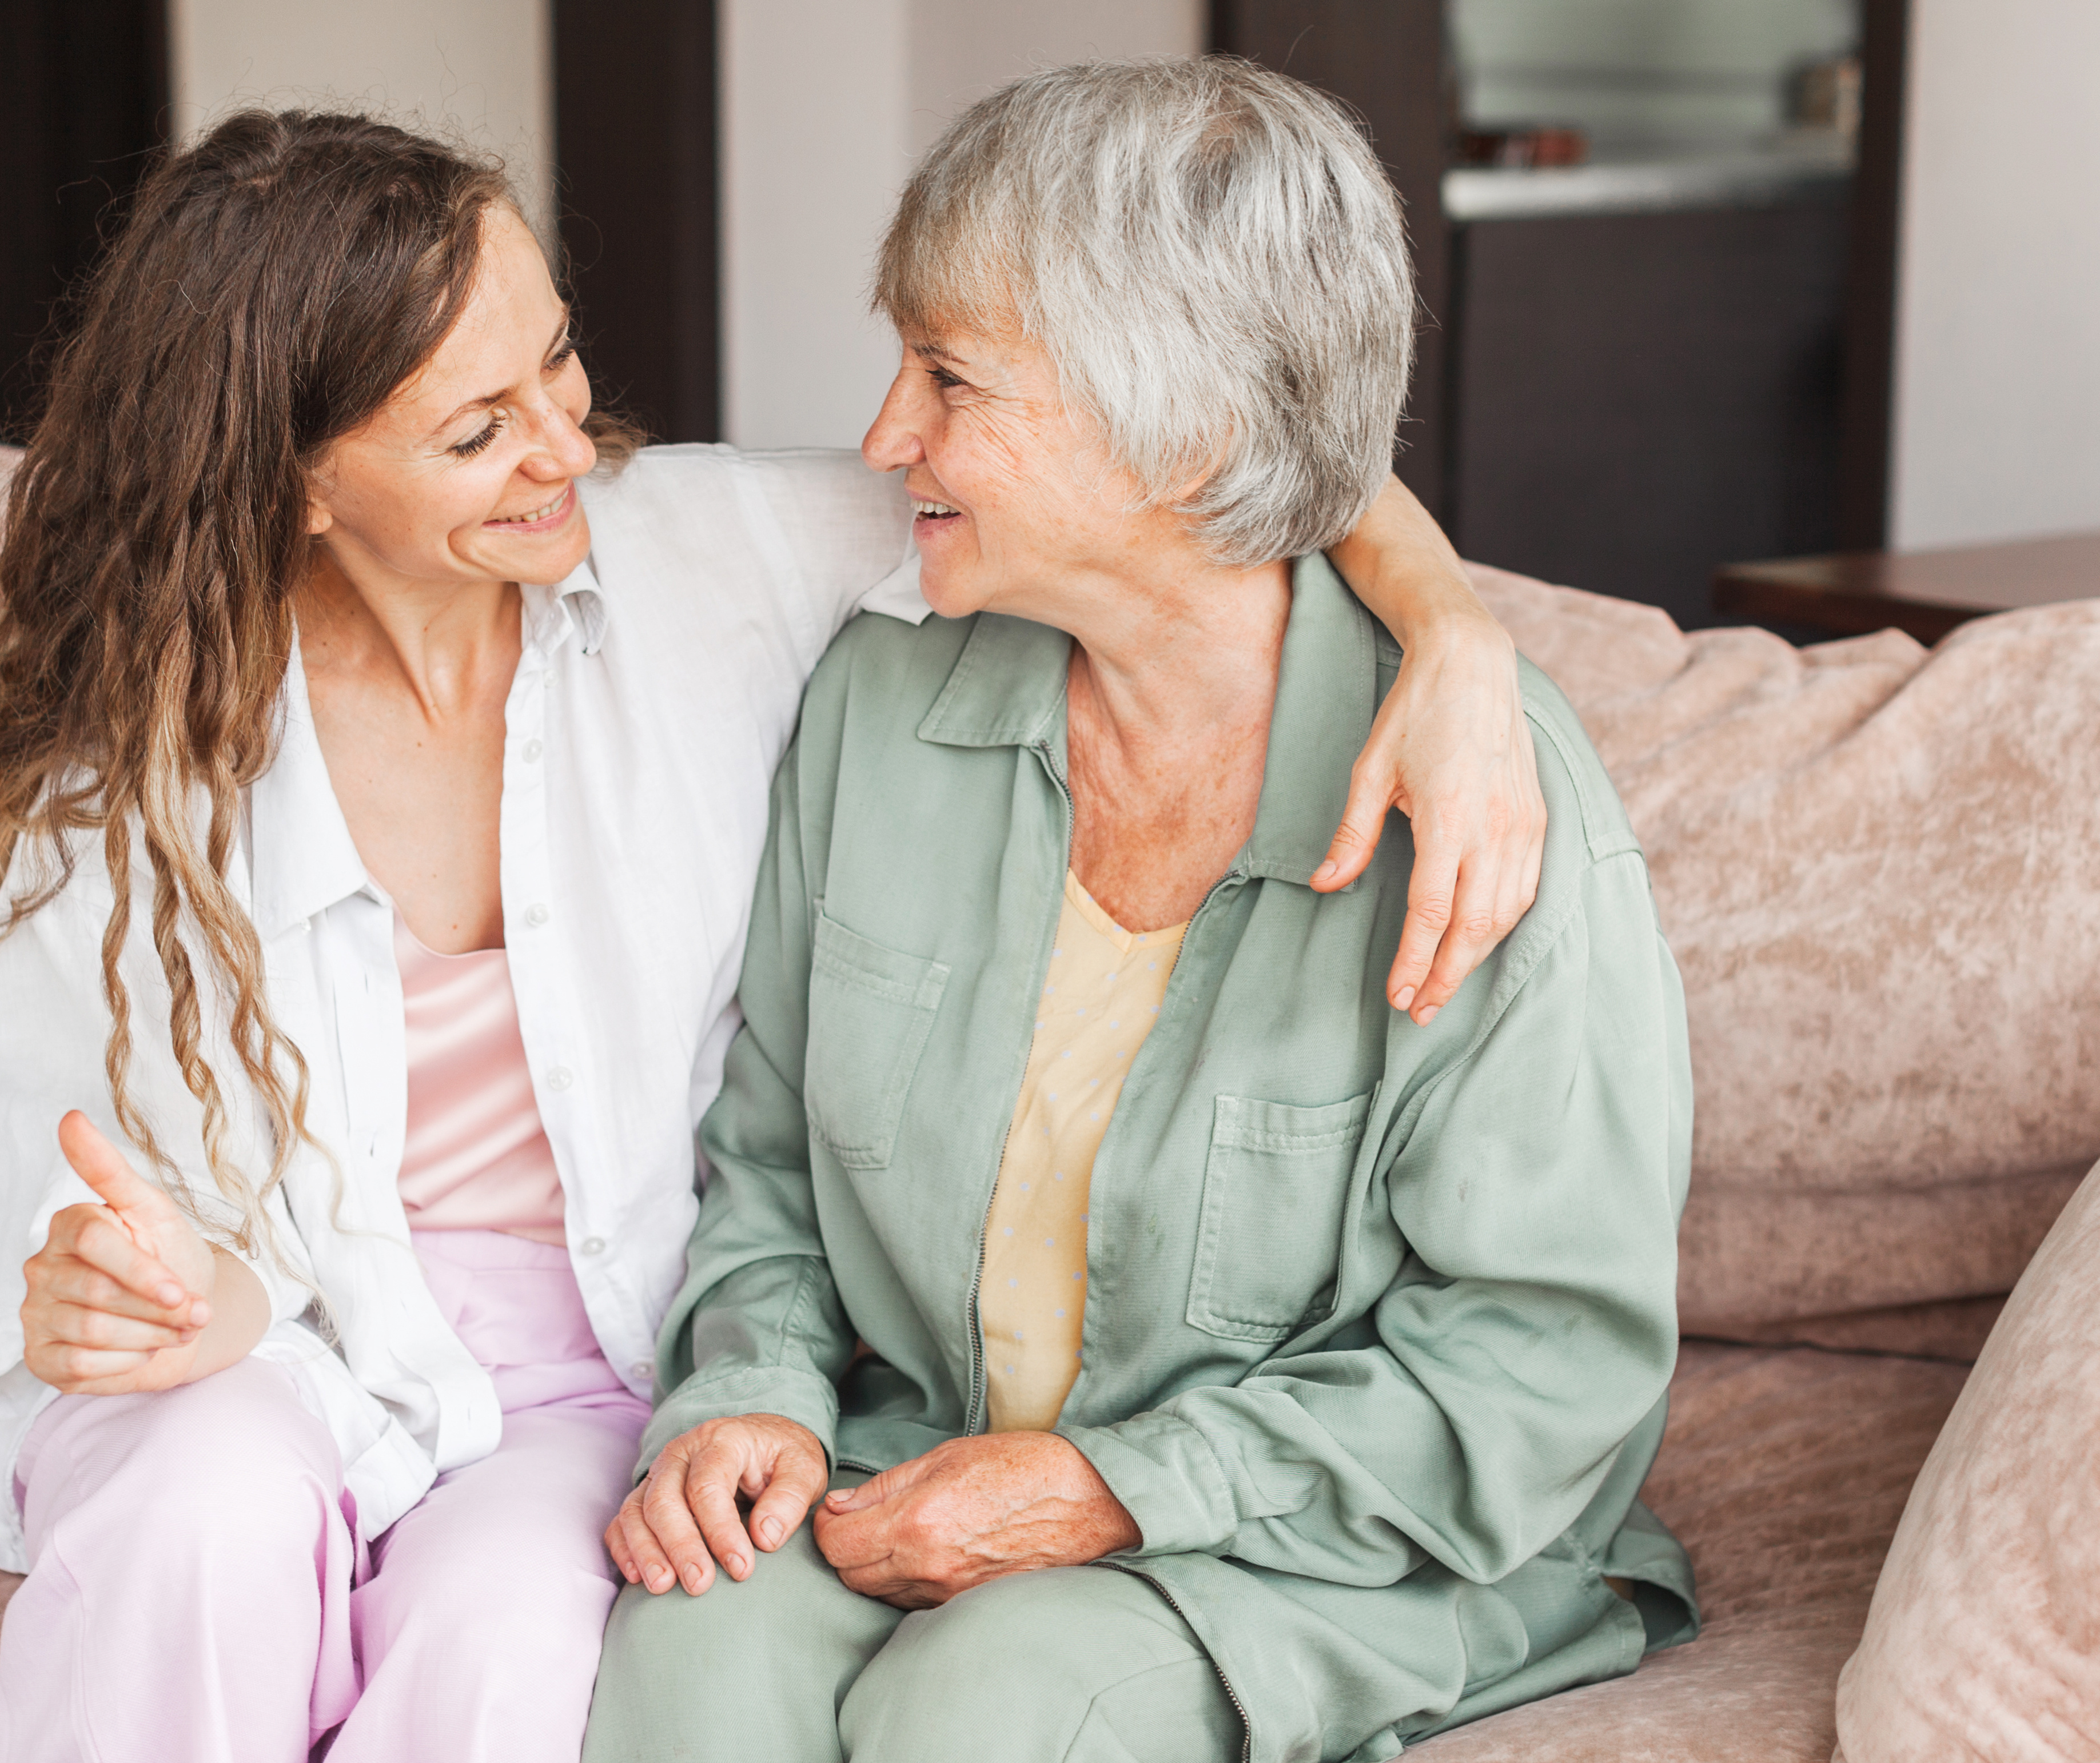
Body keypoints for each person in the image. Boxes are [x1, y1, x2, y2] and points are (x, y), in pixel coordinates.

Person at [0, 107, 1550, 1763]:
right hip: (271, 1331)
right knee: (205, 1512)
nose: (559, 444)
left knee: (509, 1646)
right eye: (475, 431)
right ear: (296, 483)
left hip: (581, 1366)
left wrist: (1448, 632)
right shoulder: (120, 786)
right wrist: (149, 1304)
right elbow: (81, 1234)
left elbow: (1169, 465)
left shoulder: (697, 553)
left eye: (557, 358)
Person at [589, 57, 1697, 1763]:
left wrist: (1106, 1491)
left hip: (1308, 1546)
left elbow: (1536, 1367)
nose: (885, 437)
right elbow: (768, 1172)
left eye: (949, 377)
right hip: (913, 1461)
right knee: (689, 1660)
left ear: (1183, 433)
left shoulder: (1475, 804)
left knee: (991, 1708)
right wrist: (754, 1394)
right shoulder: (882, 705)